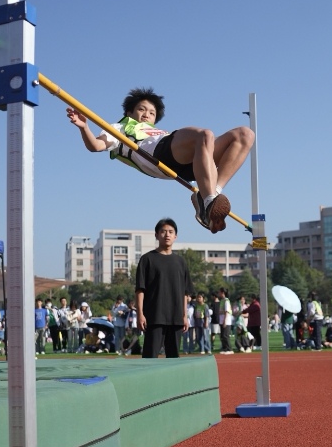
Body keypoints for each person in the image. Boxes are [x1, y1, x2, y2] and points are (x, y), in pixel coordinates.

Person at [66, 87, 253, 234]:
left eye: (152, 113)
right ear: (130, 112)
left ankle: (209, 194)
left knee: (245, 135)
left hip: (193, 163)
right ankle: (208, 199)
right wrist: (84, 127)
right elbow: (96, 146)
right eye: (142, 109)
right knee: (205, 135)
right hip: (160, 154)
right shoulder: (119, 127)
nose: (147, 114)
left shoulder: (158, 131)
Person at [136, 218, 192, 359]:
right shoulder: (147, 259)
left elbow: (185, 292)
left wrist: (184, 316)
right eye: (163, 231)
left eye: (171, 232)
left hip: (176, 318)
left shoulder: (181, 262)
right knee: (150, 356)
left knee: (173, 357)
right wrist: (140, 314)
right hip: (154, 317)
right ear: (156, 235)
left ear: (175, 236)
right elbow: (140, 290)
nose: (167, 234)